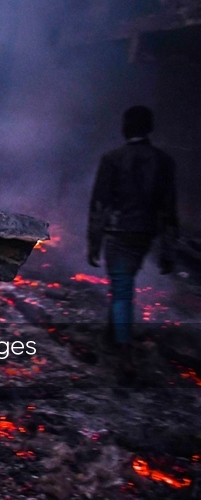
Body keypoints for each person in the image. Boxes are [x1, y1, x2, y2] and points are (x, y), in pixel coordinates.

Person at [88, 105, 177, 380]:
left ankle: (125, 356)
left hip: (118, 232)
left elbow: (100, 204)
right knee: (123, 284)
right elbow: (168, 208)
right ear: (149, 129)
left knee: (122, 290)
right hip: (144, 234)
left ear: (124, 128)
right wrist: (167, 248)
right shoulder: (163, 161)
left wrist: (93, 241)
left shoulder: (112, 158)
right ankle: (111, 337)